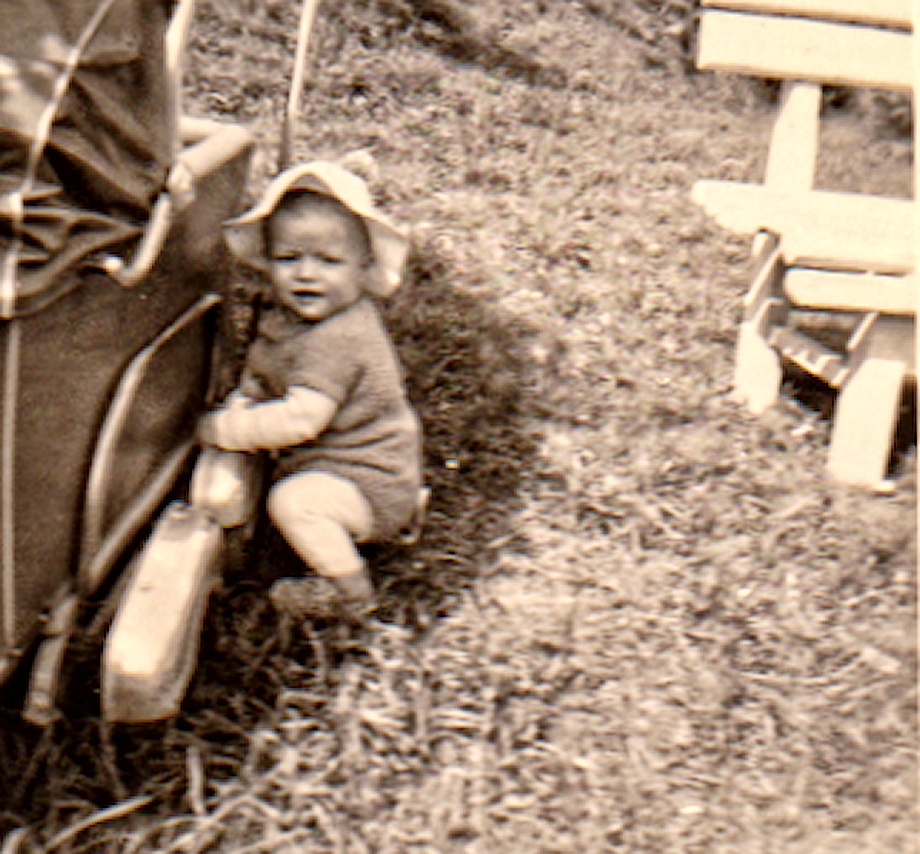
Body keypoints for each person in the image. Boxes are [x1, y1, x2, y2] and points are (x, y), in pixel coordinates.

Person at [197, 161, 422, 621]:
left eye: (328, 261)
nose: (305, 274)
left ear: (363, 269)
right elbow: (264, 371)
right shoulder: (288, 317)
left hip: (366, 478)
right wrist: (247, 396)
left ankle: (351, 592)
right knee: (293, 490)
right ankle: (394, 517)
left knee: (295, 502)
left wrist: (224, 427)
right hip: (351, 468)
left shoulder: (338, 338)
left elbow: (300, 419)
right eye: (288, 258)